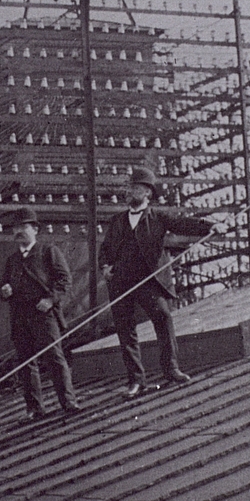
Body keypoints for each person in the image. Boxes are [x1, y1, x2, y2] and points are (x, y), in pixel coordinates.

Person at [99, 166, 215, 398]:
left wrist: (208, 226)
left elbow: (182, 224)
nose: (129, 192)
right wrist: (105, 267)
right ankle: (136, 381)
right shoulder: (117, 220)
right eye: (129, 187)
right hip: (121, 281)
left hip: (148, 280)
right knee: (125, 329)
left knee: (163, 317)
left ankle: (171, 369)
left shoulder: (158, 217)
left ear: (147, 192)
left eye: (135, 188)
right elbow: (105, 249)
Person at [0, 207, 82, 421]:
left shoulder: (48, 252)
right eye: (16, 228)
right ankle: (34, 409)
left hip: (43, 314)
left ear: (35, 229)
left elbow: (64, 281)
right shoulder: (12, 260)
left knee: (54, 357)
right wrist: (5, 291)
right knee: (26, 362)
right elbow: (2, 288)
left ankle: (69, 402)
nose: (19, 231)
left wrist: (50, 300)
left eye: (24, 227)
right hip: (19, 316)